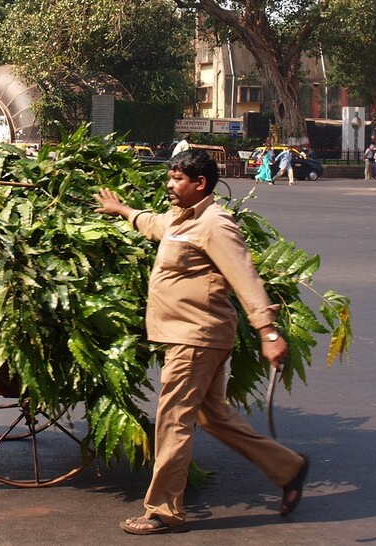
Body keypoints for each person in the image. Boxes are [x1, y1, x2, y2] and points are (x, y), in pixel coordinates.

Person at [93, 149, 308, 535]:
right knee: (212, 415)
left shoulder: (215, 224)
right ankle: (288, 467)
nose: (169, 185)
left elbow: (244, 276)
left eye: (177, 179)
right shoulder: (181, 218)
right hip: (188, 335)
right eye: (170, 177)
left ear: (200, 184)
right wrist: (123, 210)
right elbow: (156, 225)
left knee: (174, 419)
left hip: (196, 337)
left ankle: (163, 511)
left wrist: (268, 331)